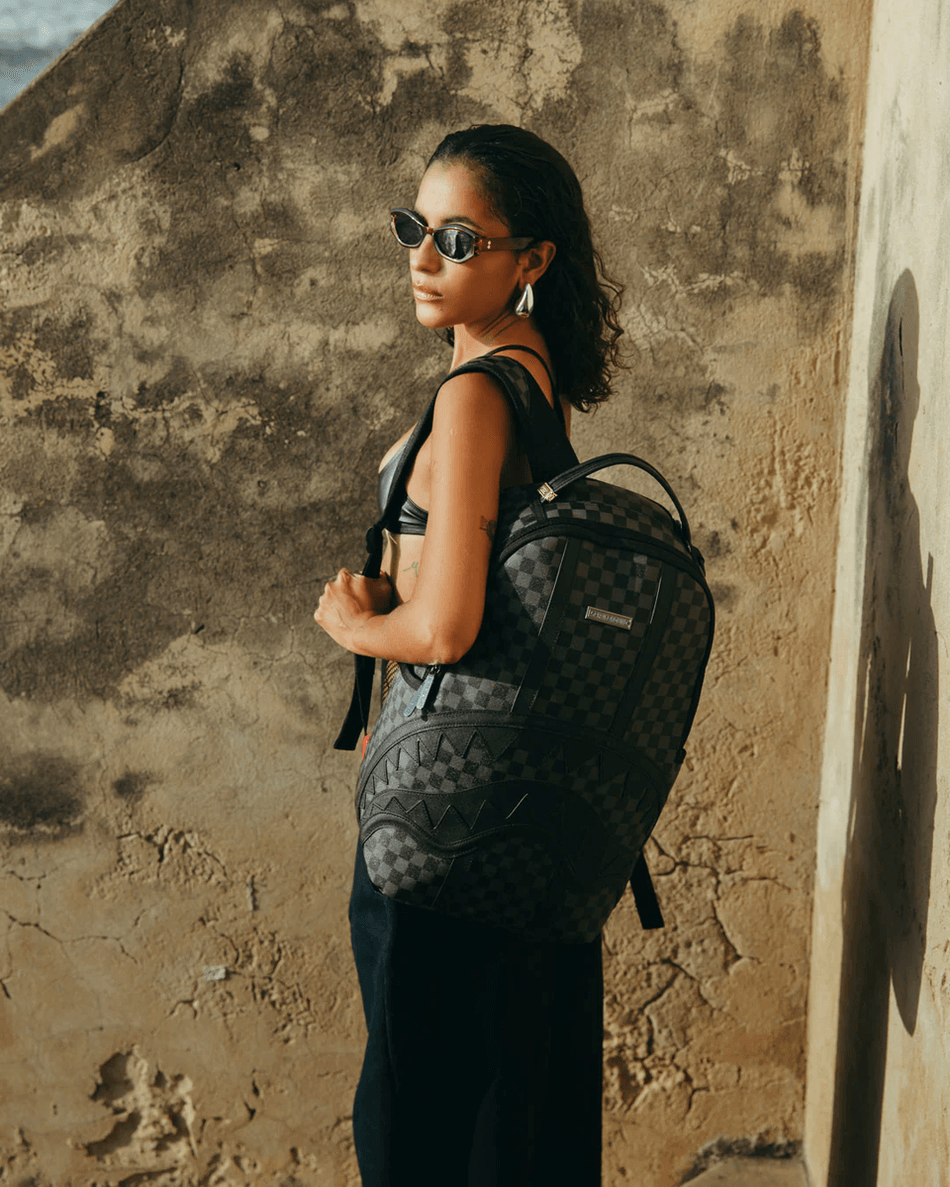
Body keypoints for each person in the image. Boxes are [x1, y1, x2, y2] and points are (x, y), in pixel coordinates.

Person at [313, 124, 624, 1187]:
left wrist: (353, 623)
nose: (423, 257)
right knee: (515, 1116)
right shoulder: (536, 378)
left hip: (439, 814)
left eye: (457, 238)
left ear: (529, 258)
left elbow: (444, 628)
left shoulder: (476, 393)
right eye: (415, 228)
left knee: (418, 1123)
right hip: (525, 805)